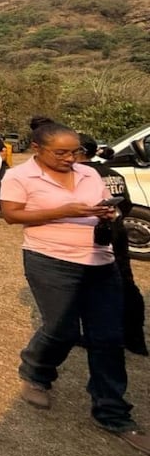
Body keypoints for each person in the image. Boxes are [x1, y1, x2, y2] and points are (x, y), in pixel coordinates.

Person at [0, 121, 149, 455]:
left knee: (108, 336)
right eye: (61, 152)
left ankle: (112, 412)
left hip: (99, 259)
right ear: (37, 148)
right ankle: (36, 372)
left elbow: (102, 204)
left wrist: (106, 214)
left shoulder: (89, 173)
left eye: (75, 151)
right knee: (62, 329)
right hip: (50, 259)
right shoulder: (19, 177)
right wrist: (65, 210)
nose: (70, 158)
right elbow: (11, 214)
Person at [77, 133, 147, 358]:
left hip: (92, 235)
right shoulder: (113, 173)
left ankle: (95, 335)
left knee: (91, 286)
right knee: (126, 281)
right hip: (116, 231)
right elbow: (124, 205)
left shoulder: (80, 175)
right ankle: (135, 338)